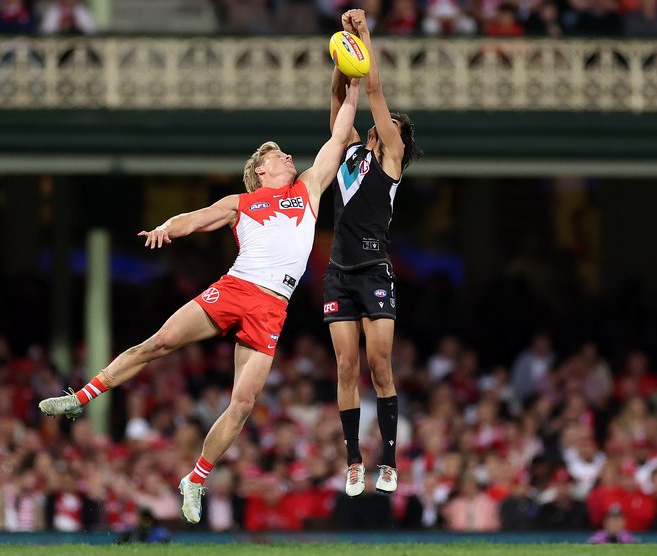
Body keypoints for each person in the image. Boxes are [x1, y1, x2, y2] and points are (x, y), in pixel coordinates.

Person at [38, 78, 361, 525]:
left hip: (272, 306)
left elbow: (341, 135)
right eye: (277, 155)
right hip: (235, 288)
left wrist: (355, 80)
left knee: (244, 403)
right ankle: (81, 397)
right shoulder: (243, 201)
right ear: (260, 171)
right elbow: (196, 218)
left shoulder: (307, 189)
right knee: (159, 343)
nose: (288, 156)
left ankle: (196, 478)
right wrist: (166, 228)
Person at [324, 8, 421, 498]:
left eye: (396, 127)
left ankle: (389, 462)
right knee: (345, 367)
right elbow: (342, 96)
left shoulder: (390, 162)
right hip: (339, 271)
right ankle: (353, 461)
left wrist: (365, 36)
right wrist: (344, 50)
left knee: (379, 364)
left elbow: (376, 93)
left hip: (374, 269)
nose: (388, 126)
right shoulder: (349, 152)